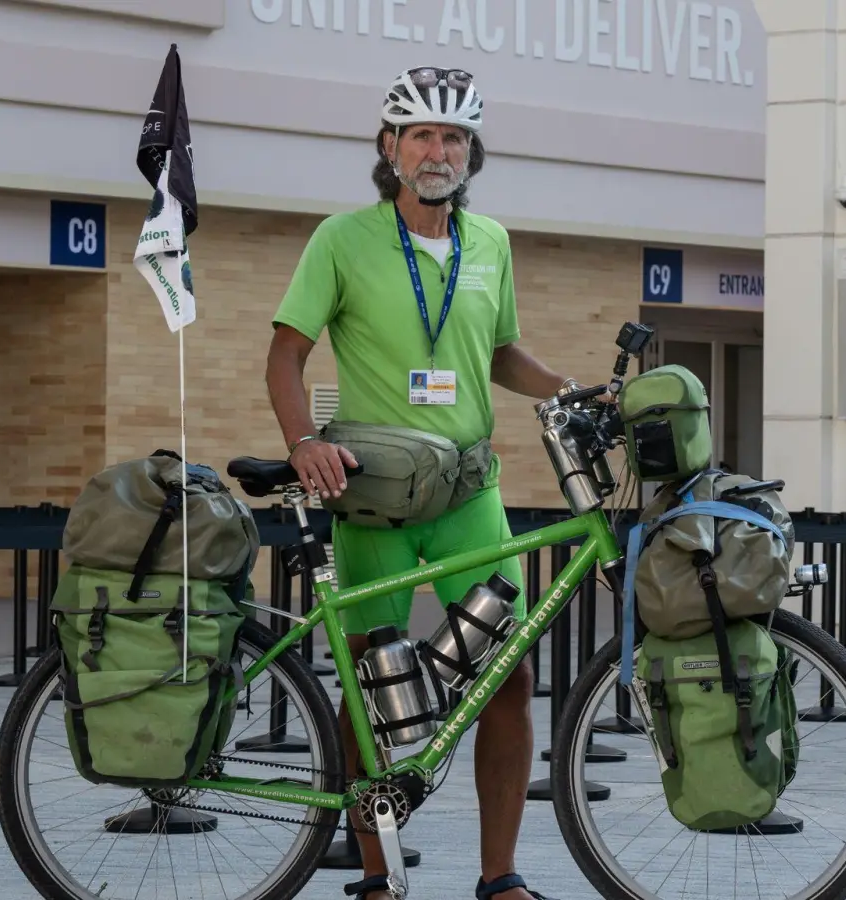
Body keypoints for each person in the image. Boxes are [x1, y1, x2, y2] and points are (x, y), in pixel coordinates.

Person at [265, 65, 595, 900]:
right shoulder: (342, 239)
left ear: (471, 152)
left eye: (453, 137)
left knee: (508, 674)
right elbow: (285, 352)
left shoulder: (493, 244)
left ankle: (500, 875)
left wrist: (571, 391)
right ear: (390, 148)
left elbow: (500, 354)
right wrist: (303, 440)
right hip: (375, 493)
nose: (437, 151)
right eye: (420, 135)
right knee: (373, 674)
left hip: (468, 493)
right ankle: (376, 873)